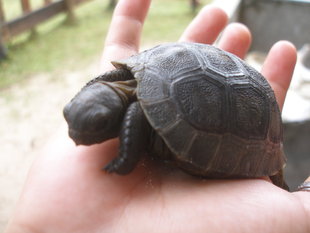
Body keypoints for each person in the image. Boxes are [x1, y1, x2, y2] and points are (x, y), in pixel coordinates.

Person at [5, 0, 309, 232]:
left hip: (249, 108)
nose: (75, 134)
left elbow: (136, 110)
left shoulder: (133, 104)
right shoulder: (125, 77)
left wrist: (126, 159)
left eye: (96, 123)